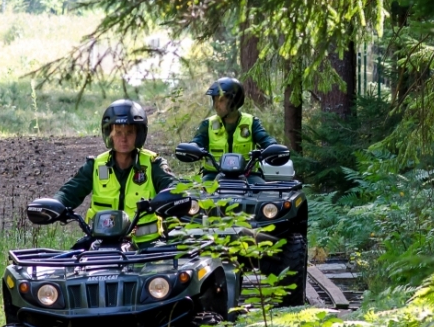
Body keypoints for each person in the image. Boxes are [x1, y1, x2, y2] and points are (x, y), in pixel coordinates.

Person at [47, 99, 180, 244]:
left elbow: (173, 187)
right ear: (109, 134)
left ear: (139, 134)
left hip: (146, 246)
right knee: (73, 256)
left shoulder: (153, 164)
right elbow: (70, 191)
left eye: (129, 132)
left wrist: (171, 198)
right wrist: (54, 204)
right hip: (101, 243)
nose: (123, 138)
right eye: (118, 132)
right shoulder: (97, 165)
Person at [192, 77, 278, 157]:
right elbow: (198, 141)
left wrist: (272, 146)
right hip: (214, 169)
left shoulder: (251, 123)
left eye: (221, 100)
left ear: (235, 101)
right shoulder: (208, 124)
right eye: (215, 100)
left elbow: (265, 139)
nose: (216, 105)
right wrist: (192, 147)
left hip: (246, 169)